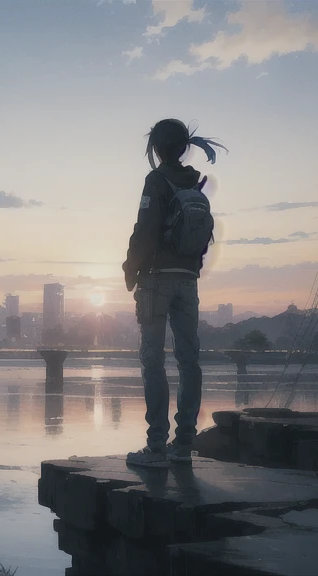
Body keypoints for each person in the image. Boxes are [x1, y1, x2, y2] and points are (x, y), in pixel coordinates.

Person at [122, 119, 227, 467]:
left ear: (157, 148)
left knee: (153, 360)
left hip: (157, 280)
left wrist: (129, 266)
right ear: (182, 147)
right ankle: (183, 445)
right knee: (188, 361)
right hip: (188, 280)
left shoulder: (157, 180)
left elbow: (146, 229)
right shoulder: (193, 182)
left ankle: (156, 447)